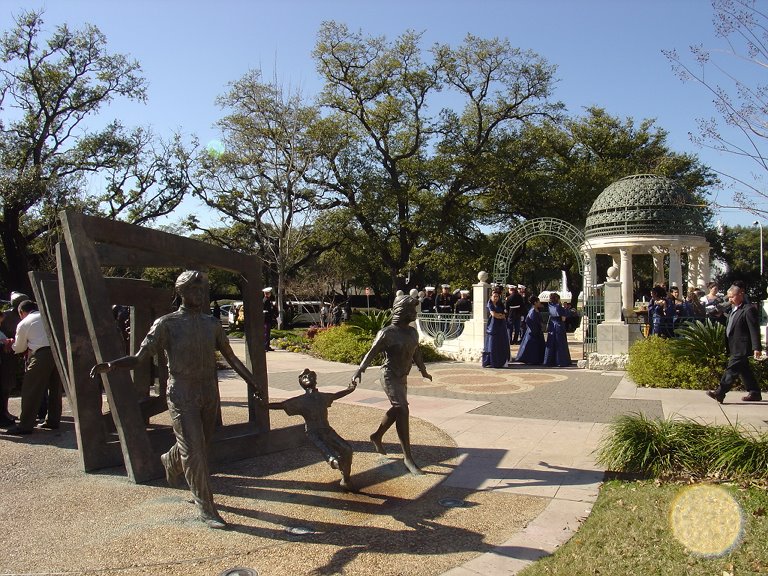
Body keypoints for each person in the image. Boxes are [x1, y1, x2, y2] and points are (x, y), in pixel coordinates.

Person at [90, 271, 264, 529]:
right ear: (181, 292)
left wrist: (253, 382)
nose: (200, 295)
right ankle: (206, 508)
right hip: (181, 392)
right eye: (194, 290)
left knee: (199, 446)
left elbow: (231, 356)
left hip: (208, 392)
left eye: (202, 291)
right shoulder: (166, 324)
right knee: (194, 453)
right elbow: (140, 357)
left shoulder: (211, 324)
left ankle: (170, 459)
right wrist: (112, 365)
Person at [352, 292, 432, 475]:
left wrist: (423, 370)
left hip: (402, 376)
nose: (415, 313)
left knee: (398, 408)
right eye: (412, 309)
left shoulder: (412, 332)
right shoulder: (387, 333)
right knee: (402, 409)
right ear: (402, 311)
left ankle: (377, 435)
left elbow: (416, 353)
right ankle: (408, 458)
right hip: (388, 375)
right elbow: (371, 352)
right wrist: (360, 369)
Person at [266, 368, 356, 491]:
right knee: (331, 455)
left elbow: (335, 396)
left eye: (310, 376)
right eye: (304, 377)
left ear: (315, 380)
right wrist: (264, 405)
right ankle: (336, 464)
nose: (307, 378)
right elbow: (282, 405)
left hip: (327, 430)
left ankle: (345, 479)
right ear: (301, 383)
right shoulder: (300, 401)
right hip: (313, 432)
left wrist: (350, 389)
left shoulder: (322, 397)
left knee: (347, 450)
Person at [4, 300, 62, 435]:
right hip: (59, 353)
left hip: (41, 354)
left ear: (21, 312)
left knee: (30, 389)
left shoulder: (24, 323)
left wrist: (11, 344)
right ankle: (53, 420)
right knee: (55, 388)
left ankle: (25, 425)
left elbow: (19, 348)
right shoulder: (47, 316)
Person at [706, 284, 763, 403]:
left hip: (741, 346)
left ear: (740, 294)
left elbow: (754, 329)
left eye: (732, 297)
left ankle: (720, 393)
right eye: (729, 297)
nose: (730, 299)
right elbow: (730, 325)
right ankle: (755, 392)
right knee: (744, 369)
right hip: (734, 345)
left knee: (732, 369)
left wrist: (756, 347)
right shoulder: (734, 309)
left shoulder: (748, 309)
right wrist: (719, 316)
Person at [0, 292, 28, 426]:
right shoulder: (5, 315)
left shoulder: (23, 315)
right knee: (3, 384)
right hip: (4, 353)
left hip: (13, 352)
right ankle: (2, 413)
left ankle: (5, 411)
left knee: (8, 385)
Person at [482, 286, 510, 369]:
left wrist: (501, 316)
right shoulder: (490, 303)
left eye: (497, 296)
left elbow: (505, 313)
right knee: (493, 343)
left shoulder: (500, 303)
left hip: (501, 325)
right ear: (491, 296)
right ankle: (492, 361)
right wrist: (500, 316)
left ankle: (502, 360)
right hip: (493, 326)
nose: (495, 298)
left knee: (501, 342)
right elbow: (494, 314)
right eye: (494, 296)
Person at [543, 292, 573, 367]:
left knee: (551, 343)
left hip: (552, 325)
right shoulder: (559, 307)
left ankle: (549, 360)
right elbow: (563, 318)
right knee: (560, 344)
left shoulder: (549, 306)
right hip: (559, 325)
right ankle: (561, 361)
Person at [515, 296, 545, 365]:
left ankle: (538, 359)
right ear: (535, 302)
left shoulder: (536, 310)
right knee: (532, 345)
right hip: (533, 331)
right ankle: (530, 359)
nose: (540, 303)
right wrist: (533, 329)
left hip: (538, 330)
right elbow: (528, 320)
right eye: (538, 301)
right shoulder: (532, 311)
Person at [262, 287, 276, 351]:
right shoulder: (265, 300)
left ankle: (267, 346)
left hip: (268, 319)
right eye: (269, 293)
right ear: (266, 293)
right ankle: (265, 346)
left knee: (268, 333)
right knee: (266, 333)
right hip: (266, 319)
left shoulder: (268, 300)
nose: (270, 294)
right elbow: (266, 310)